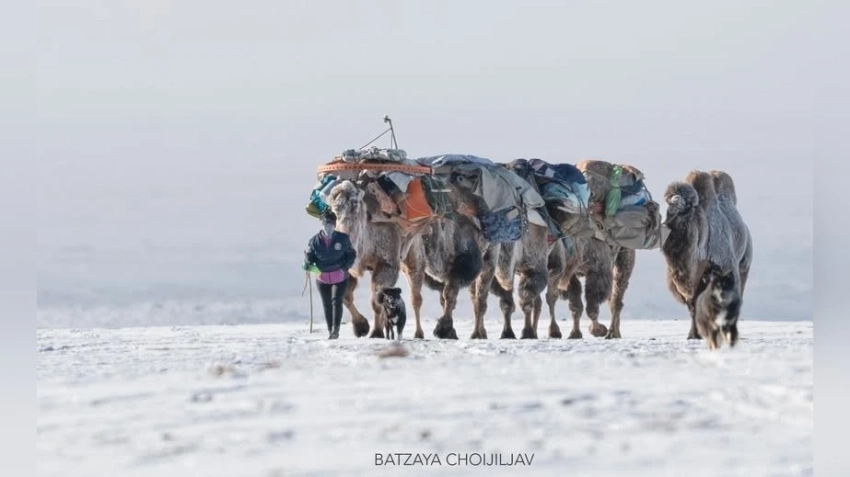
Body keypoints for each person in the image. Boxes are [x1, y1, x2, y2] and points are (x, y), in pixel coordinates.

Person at [303, 212, 357, 339]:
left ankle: (336, 330)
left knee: (336, 302)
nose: (328, 228)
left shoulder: (343, 239)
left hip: (340, 276)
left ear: (335, 225)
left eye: (331, 225)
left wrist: (344, 268)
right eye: (326, 225)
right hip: (322, 278)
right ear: (322, 225)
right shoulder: (314, 241)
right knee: (326, 304)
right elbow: (311, 257)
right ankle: (330, 330)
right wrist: (307, 261)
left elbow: (351, 254)